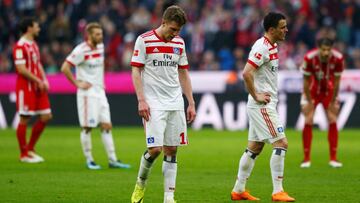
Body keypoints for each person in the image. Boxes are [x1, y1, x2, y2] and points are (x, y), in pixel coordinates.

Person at [130, 5, 196, 203]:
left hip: (175, 102)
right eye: (172, 29)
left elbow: (183, 72)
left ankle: (169, 198)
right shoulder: (144, 40)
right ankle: (140, 184)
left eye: (178, 31)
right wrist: (141, 99)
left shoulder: (179, 43)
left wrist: (191, 102)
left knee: (172, 150)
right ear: (163, 22)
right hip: (153, 103)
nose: (174, 34)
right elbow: (135, 71)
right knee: (155, 150)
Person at [230, 12, 295, 202]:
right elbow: (246, 73)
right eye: (282, 27)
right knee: (281, 143)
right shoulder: (262, 47)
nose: (286, 30)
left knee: (255, 147)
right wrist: (256, 95)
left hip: (264, 103)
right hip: (262, 105)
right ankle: (278, 191)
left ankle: (238, 190)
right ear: (272, 29)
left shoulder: (272, 46)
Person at [61, 22, 131, 170]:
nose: (101, 36)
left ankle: (113, 160)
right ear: (89, 35)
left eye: (101, 34)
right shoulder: (81, 50)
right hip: (87, 94)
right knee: (87, 127)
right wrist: (77, 83)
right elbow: (65, 67)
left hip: (100, 91)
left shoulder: (100, 47)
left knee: (106, 125)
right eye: (98, 34)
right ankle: (89, 159)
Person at [300, 38, 344, 168]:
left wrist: (334, 98)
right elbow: (306, 81)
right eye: (323, 49)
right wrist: (308, 100)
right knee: (308, 119)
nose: (326, 53)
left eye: (328, 50)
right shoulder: (309, 57)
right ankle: (306, 159)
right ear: (318, 48)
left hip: (328, 91)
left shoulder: (338, 58)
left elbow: (337, 81)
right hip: (312, 91)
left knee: (332, 118)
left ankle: (333, 159)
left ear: (332, 49)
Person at [13, 17, 52, 163]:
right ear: (29, 28)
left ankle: (30, 148)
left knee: (46, 116)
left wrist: (44, 79)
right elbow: (21, 69)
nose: (39, 29)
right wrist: (38, 80)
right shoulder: (19, 46)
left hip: (38, 86)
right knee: (25, 118)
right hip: (26, 87)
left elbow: (38, 64)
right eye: (36, 26)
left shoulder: (33, 44)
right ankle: (23, 154)